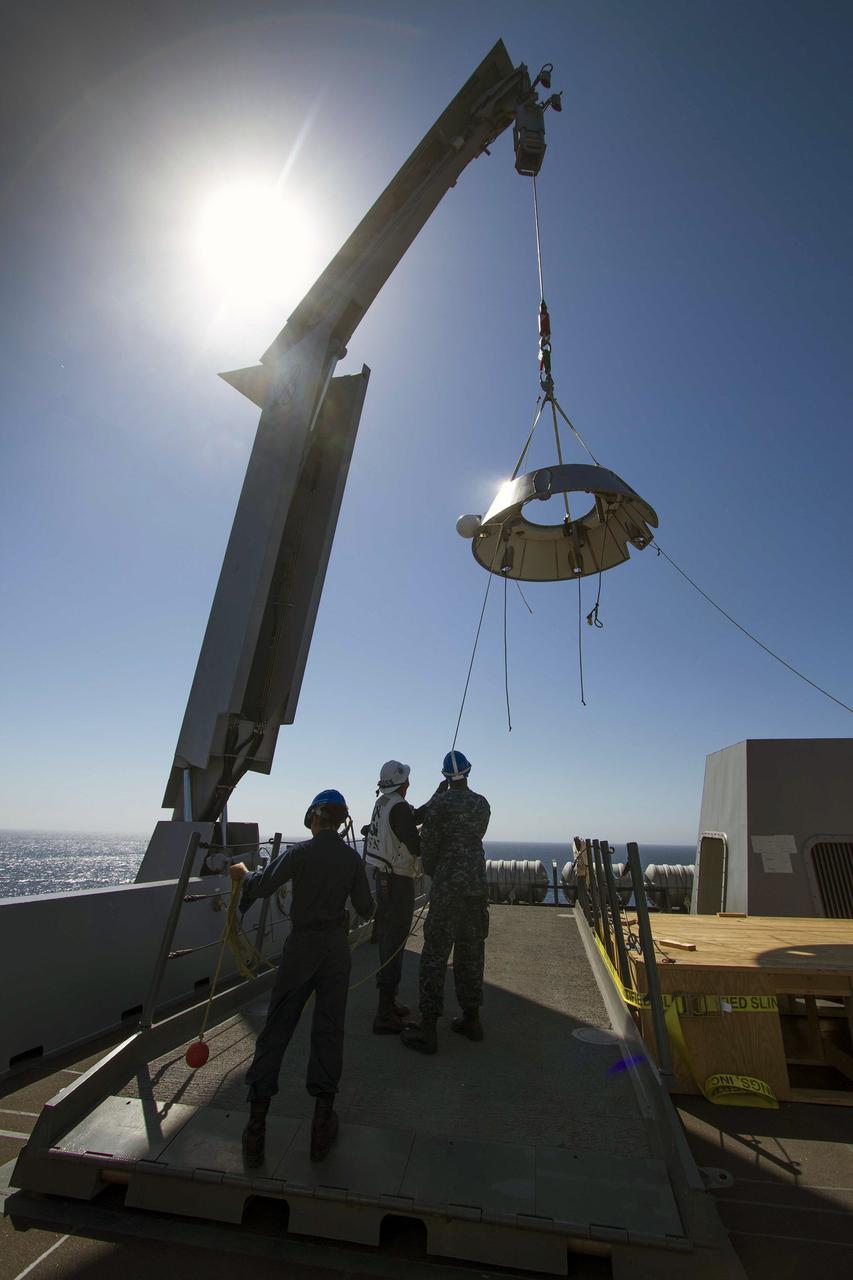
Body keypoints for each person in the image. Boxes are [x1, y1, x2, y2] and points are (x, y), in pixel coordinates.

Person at [229, 789, 373, 1167]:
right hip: (335, 951)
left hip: (302, 948)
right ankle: (321, 1130)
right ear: (343, 822)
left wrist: (244, 874)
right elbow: (366, 907)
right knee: (328, 1031)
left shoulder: (299, 853)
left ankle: (256, 1132)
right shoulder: (351, 859)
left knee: (277, 1029)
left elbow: (260, 887)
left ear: (313, 817)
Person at [402, 750, 490, 1055]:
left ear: (444, 776)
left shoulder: (438, 804)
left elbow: (429, 849)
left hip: (447, 891)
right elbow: (475, 834)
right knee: (471, 953)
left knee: (435, 956)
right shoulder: (481, 804)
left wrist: (438, 870)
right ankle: (472, 1019)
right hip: (477, 888)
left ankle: (428, 1028)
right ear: (468, 772)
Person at [364, 760, 436, 1034]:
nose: (409, 783)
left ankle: (389, 1002)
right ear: (403, 783)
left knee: (389, 940)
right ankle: (384, 1013)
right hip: (397, 881)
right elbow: (415, 844)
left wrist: (434, 800)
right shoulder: (399, 807)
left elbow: (410, 817)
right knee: (394, 943)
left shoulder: (384, 803)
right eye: (407, 779)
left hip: (383, 878)